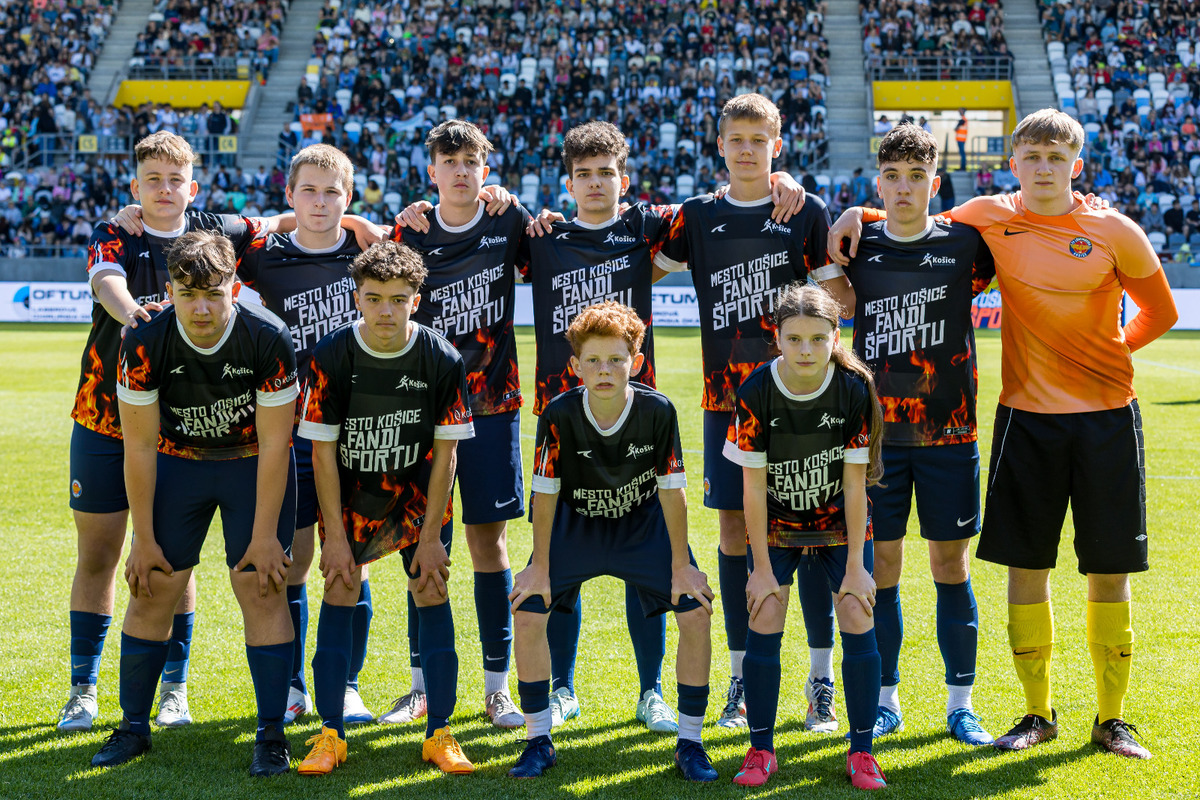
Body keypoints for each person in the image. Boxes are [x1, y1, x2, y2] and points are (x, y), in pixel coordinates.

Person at [827, 108, 1178, 758]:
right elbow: (896, 225)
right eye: (1032, 157)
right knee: (944, 565)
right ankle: (919, 704)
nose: (1044, 167)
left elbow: (1163, 309)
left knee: (1056, 568)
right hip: (957, 430)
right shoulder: (974, 223)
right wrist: (857, 215)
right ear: (1014, 163)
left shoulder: (1061, 231)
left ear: (1076, 163)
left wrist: (1114, 352)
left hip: (1017, 427)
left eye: (1057, 157)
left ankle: (1086, 717)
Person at [106, 142, 387, 729]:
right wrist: (140, 218)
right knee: (237, 571)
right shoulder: (250, 262)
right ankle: (269, 693)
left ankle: (323, 699)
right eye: (308, 190)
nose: (320, 201)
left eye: (332, 192)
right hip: (230, 443)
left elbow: (405, 272)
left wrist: (373, 224)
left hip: (327, 431)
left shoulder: (358, 260)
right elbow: (138, 444)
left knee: (329, 561)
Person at [61, 131, 294, 733]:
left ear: (192, 186)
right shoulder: (121, 231)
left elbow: (286, 214)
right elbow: (104, 280)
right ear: (135, 187)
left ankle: (174, 688)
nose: (164, 190)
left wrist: (360, 223)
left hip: (178, 428)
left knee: (170, 557)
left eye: (175, 180)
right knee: (101, 554)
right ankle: (82, 687)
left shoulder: (216, 232)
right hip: (105, 414)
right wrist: (136, 313)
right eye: (152, 180)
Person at [658, 93, 847, 731]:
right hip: (726, 402)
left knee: (816, 532)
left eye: (758, 140)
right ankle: (740, 677)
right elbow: (632, 257)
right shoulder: (695, 216)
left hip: (802, 400)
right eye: (735, 139)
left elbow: (836, 293)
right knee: (736, 536)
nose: (746, 150)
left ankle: (821, 679)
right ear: (719, 145)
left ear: (776, 146)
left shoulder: (804, 210)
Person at [811, 122, 997, 746]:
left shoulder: (968, 245)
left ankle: (960, 702)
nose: (904, 188)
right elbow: (824, 291)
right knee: (881, 566)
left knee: (950, 565)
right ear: (878, 184)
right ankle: (887, 698)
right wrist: (850, 213)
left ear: (934, 183)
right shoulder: (856, 248)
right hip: (876, 442)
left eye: (917, 176)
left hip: (951, 435)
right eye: (892, 177)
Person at [91, 230, 298, 775]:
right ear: (169, 289)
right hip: (179, 465)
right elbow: (137, 445)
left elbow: (278, 442)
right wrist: (143, 537)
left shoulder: (268, 336)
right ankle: (133, 726)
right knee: (153, 583)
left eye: (214, 292)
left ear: (234, 285)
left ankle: (272, 735)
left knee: (262, 584)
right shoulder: (142, 340)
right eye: (187, 294)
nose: (202, 308)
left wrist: (263, 534)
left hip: (252, 463)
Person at [506, 301, 717, 782]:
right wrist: (539, 566)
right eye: (594, 361)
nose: (605, 370)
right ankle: (538, 738)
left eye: (617, 360)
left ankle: (690, 743)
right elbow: (544, 494)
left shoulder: (657, 411)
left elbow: (673, 491)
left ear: (636, 363)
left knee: (695, 608)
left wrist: (681, 565)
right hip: (577, 525)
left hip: (640, 526)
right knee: (526, 606)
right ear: (575, 365)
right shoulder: (558, 414)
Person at [296, 240, 477, 775]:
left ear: (415, 301)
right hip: (353, 498)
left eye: (398, 299)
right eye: (374, 298)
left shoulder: (441, 358)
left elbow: (448, 453)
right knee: (340, 586)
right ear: (356, 298)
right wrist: (333, 535)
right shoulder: (332, 355)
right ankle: (330, 733)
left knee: (430, 588)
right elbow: (323, 454)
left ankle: (439, 732)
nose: (385, 311)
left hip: (419, 496)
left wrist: (429, 538)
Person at [387, 120, 529, 730]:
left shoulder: (509, 221)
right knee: (424, 544)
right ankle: (421, 684)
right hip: (424, 411)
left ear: (485, 170)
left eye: (473, 162)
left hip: (493, 408)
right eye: (451, 162)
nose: (463, 172)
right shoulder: (410, 230)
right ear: (433, 172)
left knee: (488, 543)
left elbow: (558, 238)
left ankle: (497, 687)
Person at [723, 282, 887, 790]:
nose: (806, 350)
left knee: (857, 609)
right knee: (766, 607)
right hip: (777, 523)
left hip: (840, 525)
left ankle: (862, 752)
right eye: (794, 339)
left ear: (836, 336)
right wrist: (761, 568)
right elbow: (751, 489)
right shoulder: (755, 391)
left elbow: (856, 484)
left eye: (818, 339)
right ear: (777, 337)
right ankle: (760, 750)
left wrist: (858, 565)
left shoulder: (853, 389)